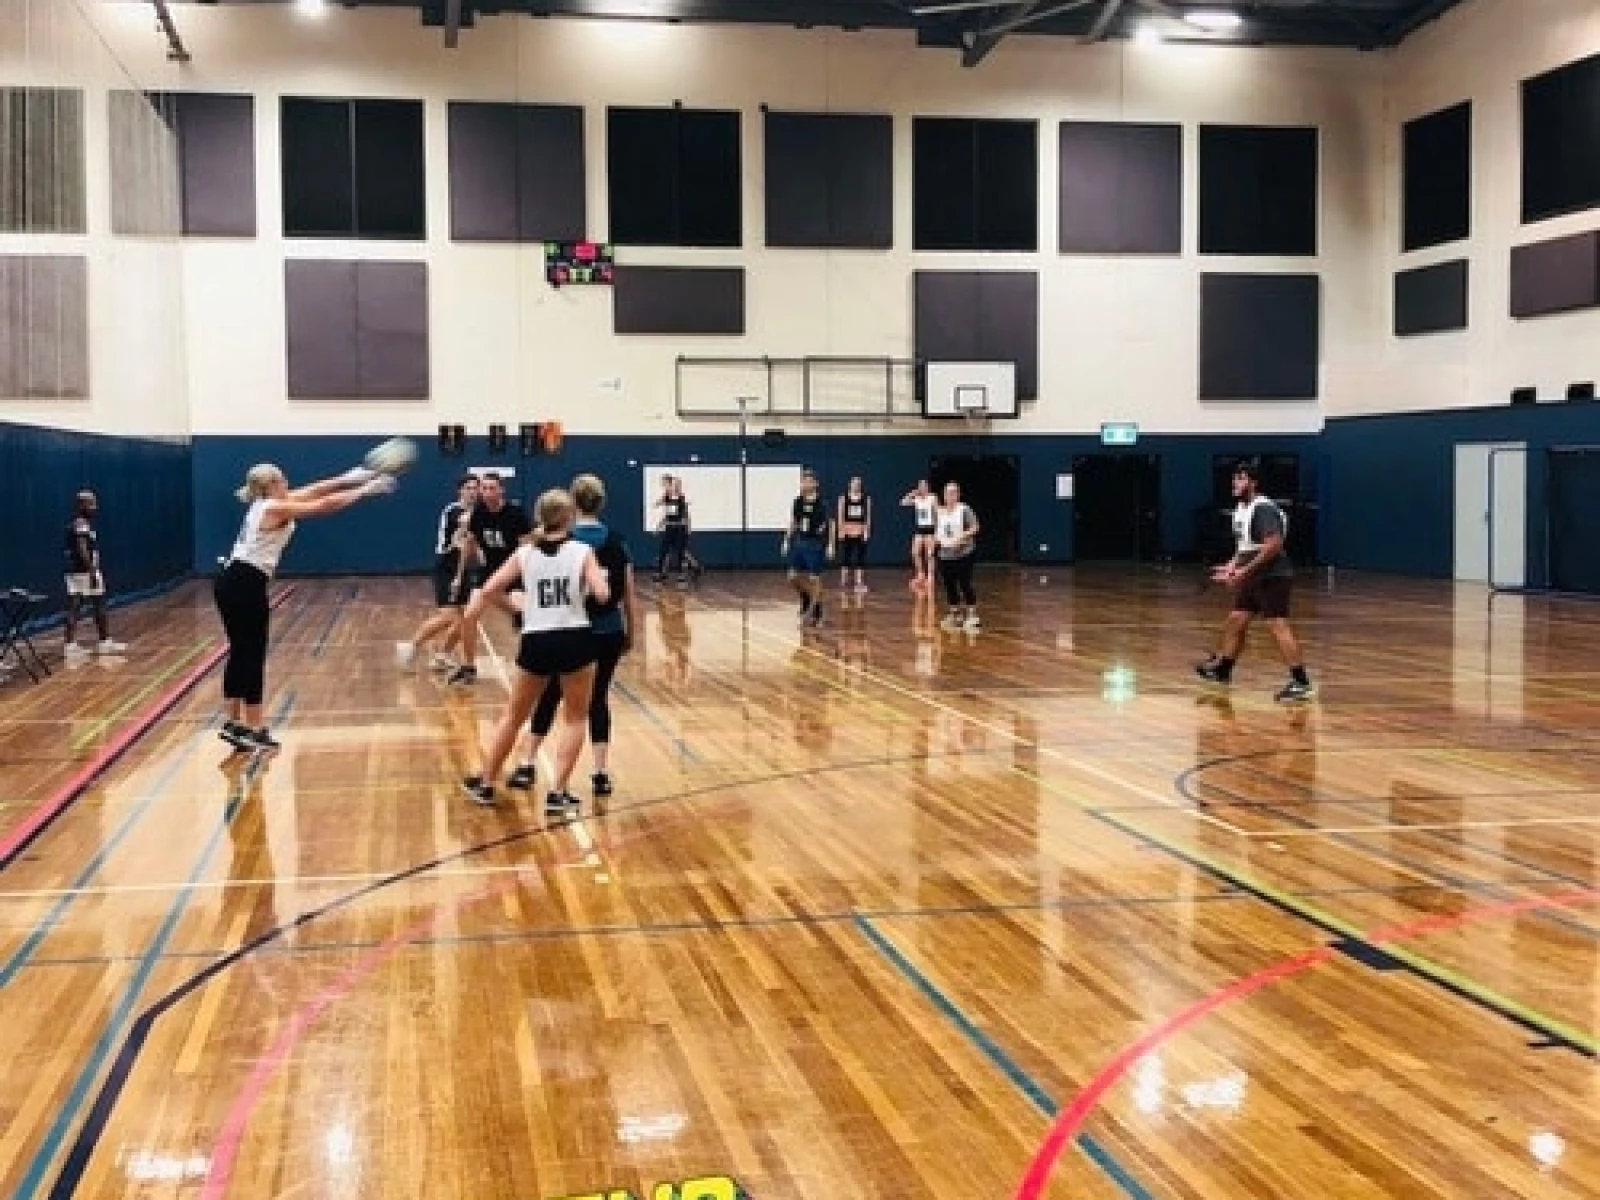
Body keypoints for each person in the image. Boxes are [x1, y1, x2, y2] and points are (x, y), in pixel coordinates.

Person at [215, 462, 395, 753]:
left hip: (235, 581)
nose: (288, 482)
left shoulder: (268, 503)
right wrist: (364, 491)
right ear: (272, 485)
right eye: (283, 478)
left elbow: (316, 490)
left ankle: (240, 724)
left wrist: (349, 477)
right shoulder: (273, 507)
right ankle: (247, 727)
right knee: (250, 652)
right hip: (244, 583)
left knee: (244, 650)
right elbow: (323, 505)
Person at [461, 487, 610, 817]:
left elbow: (488, 589)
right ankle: (558, 793)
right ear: (568, 516)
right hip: (575, 637)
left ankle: (486, 782)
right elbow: (601, 595)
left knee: (514, 716)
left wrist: (520, 605)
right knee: (575, 718)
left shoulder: (525, 553)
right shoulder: (583, 551)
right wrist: (600, 584)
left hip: (537, 638)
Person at [506, 474, 639, 798]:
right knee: (597, 701)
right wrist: (631, 631)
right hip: (608, 630)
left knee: (549, 696)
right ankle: (600, 771)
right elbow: (629, 594)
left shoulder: (563, 542)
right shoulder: (618, 541)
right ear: (601, 502)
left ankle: (527, 761)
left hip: (568, 629)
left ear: (572, 504)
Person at [1197, 460, 1315, 702]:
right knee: (1236, 620)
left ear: (1253, 483)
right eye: (1234, 478)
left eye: (1240, 478)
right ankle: (1223, 671)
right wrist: (1232, 566)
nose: (1235, 482)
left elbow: (1273, 545)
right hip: (1254, 575)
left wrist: (1244, 571)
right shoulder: (1241, 510)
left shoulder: (1263, 509)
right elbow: (1245, 547)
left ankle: (1301, 682)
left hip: (1273, 575)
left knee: (1278, 626)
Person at [448, 472, 533, 687]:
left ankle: (534, 665)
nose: (486, 492)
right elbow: (469, 544)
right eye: (483, 488)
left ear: (501, 489)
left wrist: (528, 577)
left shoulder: (515, 513)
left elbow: (527, 547)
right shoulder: (478, 513)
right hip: (489, 572)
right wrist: (459, 576)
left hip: (514, 573)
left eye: (491, 488)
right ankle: (468, 667)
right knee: (469, 616)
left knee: (529, 623)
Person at [397, 473, 479, 672]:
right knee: (448, 617)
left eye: (475, 488)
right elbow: (464, 523)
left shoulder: (476, 513)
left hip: (464, 568)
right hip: (446, 567)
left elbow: (470, 547)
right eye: (468, 488)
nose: (472, 492)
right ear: (460, 491)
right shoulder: (453, 510)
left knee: (466, 619)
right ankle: (411, 647)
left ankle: (442, 655)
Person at [62, 489, 126, 659]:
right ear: (81, 505)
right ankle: (103, 642)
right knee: (97, 604)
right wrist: (91, 571)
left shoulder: (80, 524)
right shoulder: (81, 524)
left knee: (75, 606)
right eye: (91, 504)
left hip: (76, 571)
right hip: (84, 571)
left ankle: (70, 645)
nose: (95, 507)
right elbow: (82, 549)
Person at [782, 471, 834, 628]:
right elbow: (794, 521)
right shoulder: (797, 501)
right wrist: (786, 539)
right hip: (800, 542)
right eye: (802, 482)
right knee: (792, 577)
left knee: (815, 579)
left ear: (815, 484)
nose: (804, 484)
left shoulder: (822, 503)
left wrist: (831, 545)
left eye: (807, 482)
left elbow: (831, 524)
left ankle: (817, 612)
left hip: (815, 544)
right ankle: (806, 596)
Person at [934, 481, 980, 630]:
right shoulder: (939, 511)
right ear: (944, 495)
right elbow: (937, 531)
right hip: (945, 554)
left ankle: (972, 614)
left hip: (964, 553)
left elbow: (975, 527)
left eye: (954, 492)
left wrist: (962, 536)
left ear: (958, 494)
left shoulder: (964, 509)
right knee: (949, 585)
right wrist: (934, 543)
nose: (950, 495)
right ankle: (955, 614)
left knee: (965, 583)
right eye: (948, 492)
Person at [653, 475, 693, 585]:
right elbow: (665, 514)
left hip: (680, 528)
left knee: (680, 552)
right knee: (663, 550)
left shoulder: (682, 498)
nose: (675, 486)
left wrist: (689, 527)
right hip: (669, 528)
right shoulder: (666, 497)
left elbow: (686, 514)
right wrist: (659, 526)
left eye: (678, 485)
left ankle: (681, 574)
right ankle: (660, 573)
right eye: (674, 484)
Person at [900, 480, 938, 593]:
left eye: (924, 486)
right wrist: (912, 493)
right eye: (920, 486)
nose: (923, 488)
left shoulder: (933, 497)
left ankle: (930, 577)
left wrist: (936, 531)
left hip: (930, 528)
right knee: (915, 553)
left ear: (928, 487)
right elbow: (903, 502)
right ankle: (921, 574)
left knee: (929, 554)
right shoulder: (916, 499)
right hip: (919, 529)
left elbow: (936, 513)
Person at [836, 476, 871, 593]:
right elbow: (840, 515)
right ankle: (843, 582)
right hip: (847, 529)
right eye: (854, 483)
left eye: (858, 484)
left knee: (860, 557)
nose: (856, 486)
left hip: (860, 530)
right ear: (850, 485)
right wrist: (841, 530)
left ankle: (859, 582)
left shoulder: (866, 498)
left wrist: (866, 530)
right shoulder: (843, 498)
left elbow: (868, 516)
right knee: (846, 556)